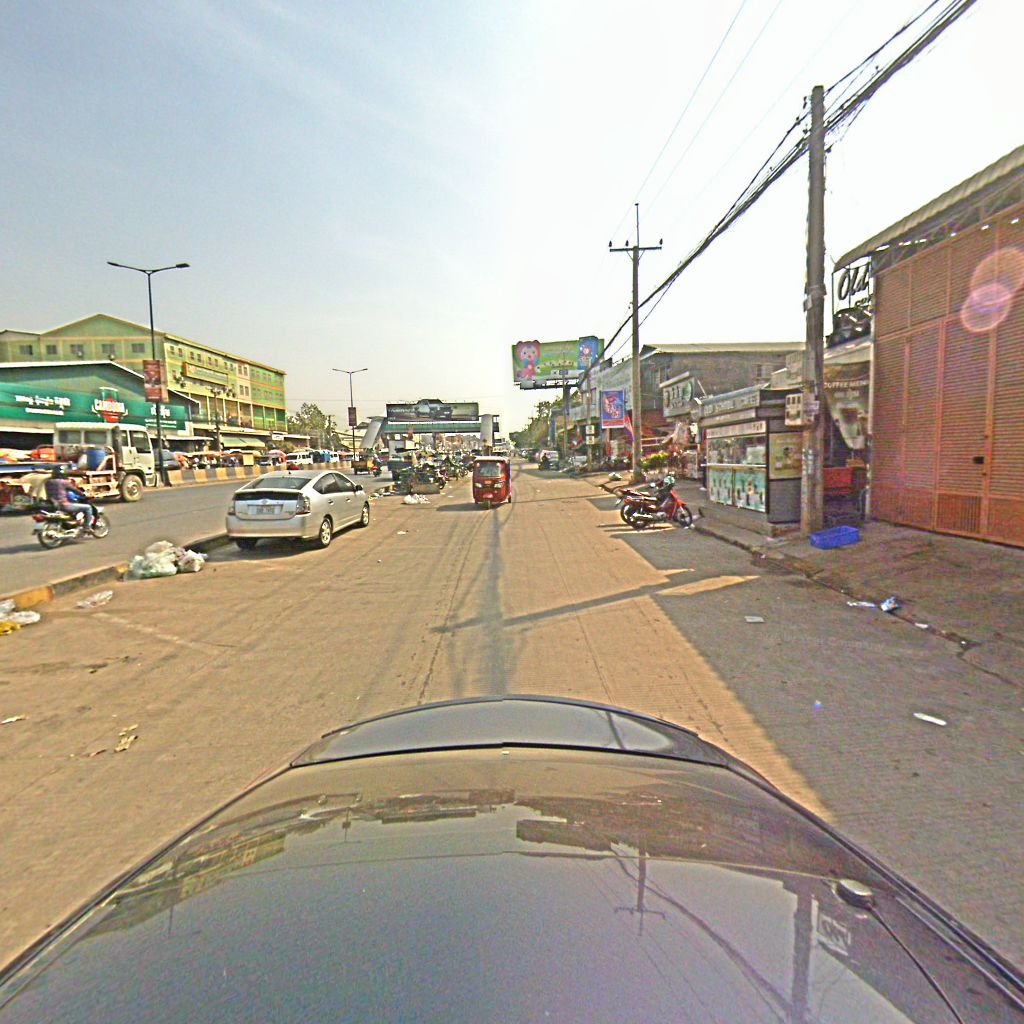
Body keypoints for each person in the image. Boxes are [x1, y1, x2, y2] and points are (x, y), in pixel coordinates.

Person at [44, 465, 95, 533]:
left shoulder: (48, 482)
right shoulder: (64, 482)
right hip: (63, 505)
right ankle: (87, 527)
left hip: (52, 505)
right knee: (88, 508)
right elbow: (75, 490)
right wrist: (84, 494)